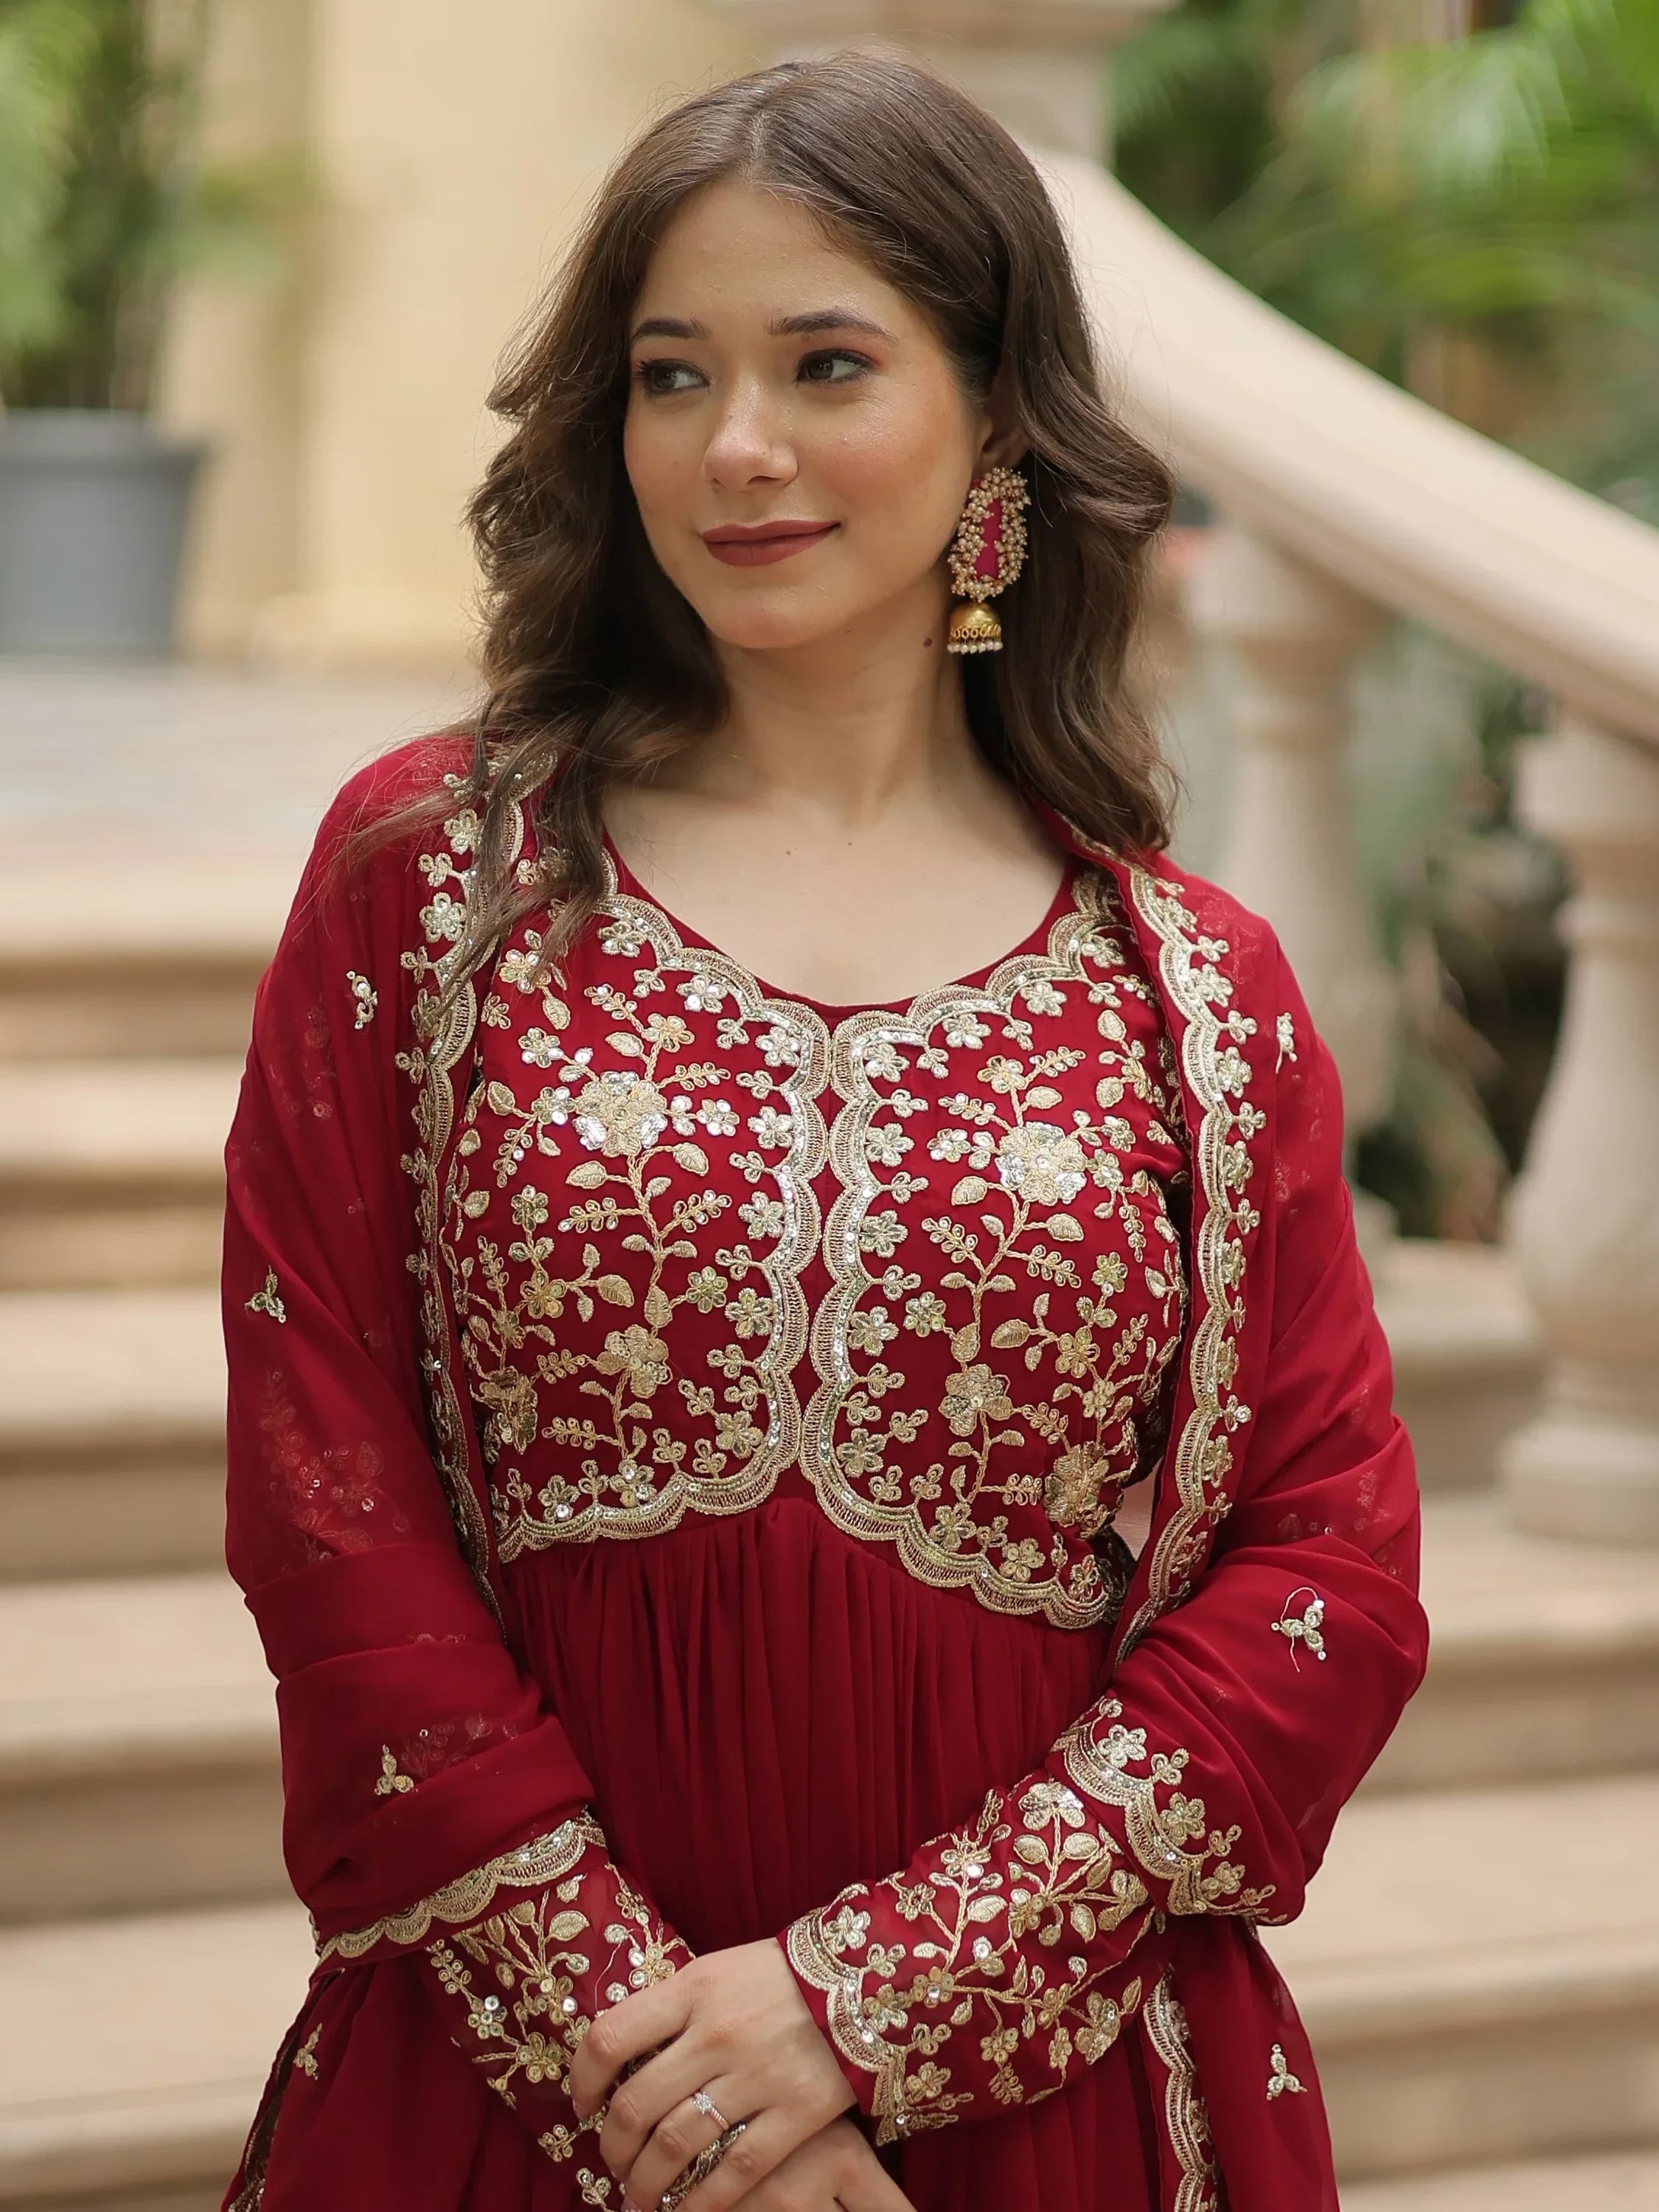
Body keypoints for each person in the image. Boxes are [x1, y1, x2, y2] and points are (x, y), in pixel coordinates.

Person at [220, 50, 1427, 2212]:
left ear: (993, 423)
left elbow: (1322, 1562)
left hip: (1042, 2090)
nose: (737, 448)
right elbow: (330, 1488)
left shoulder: (1193, 995)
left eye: (826, 364)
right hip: (533, 2074)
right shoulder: (437, 878)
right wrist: (674, 2092)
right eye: (671, 375)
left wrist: (873, 2006)